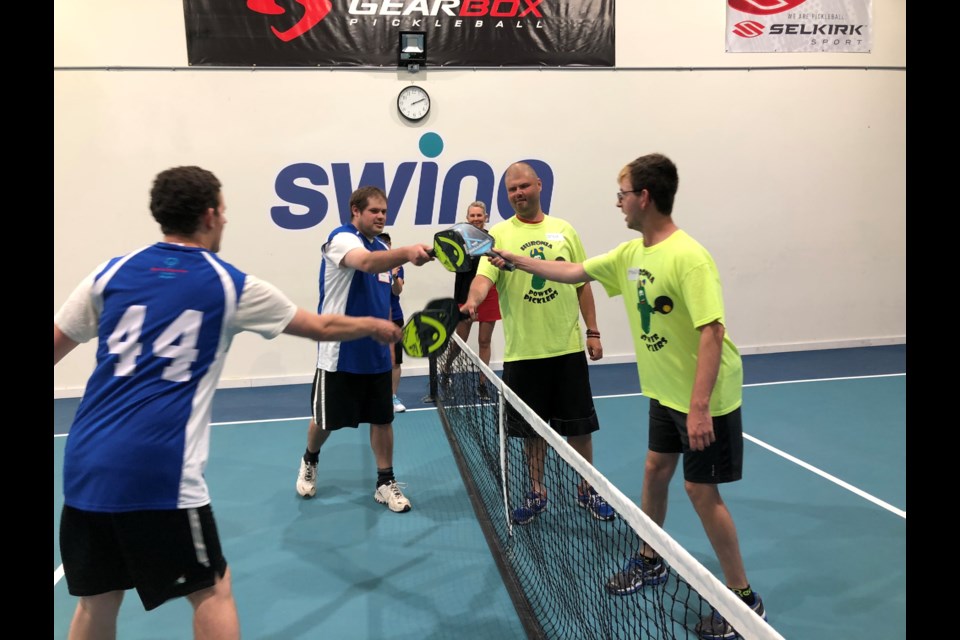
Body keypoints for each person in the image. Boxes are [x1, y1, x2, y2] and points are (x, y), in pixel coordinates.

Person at [53, 166, 402, 640]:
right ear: (213, 215)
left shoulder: (110, 272)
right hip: (160, 470)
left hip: (83, 463)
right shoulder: (229, 284)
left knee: (96, 603)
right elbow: (320, 327)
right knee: (212, 591)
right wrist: (375, 326)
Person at [487, 153, 766, 640]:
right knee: (655, 470)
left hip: (706, 399)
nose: (617, 204)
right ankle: (649, 558)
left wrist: (699, 407)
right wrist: (511, 258)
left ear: (645, 197)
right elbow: (572, 273)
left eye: (622, 194)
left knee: (700, 491)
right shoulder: (631, 254)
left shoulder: (689, 256)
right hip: (665, 392)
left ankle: (743, 598)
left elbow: (712, 332)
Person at [461, 161, 615, 525]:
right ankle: (536, 490)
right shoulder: (497, 234)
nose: (518, 193)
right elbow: (484, 279)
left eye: (524, 186)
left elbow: (583, 283)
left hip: (567, 348)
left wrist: (592, 330)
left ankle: (587, 487)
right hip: (523, 352)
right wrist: (471, 302)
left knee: (579, 426)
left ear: (539, 186)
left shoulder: (564, 231)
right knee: (532, 431)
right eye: (512, 189)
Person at [295, 186, 433, 512]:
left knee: (383, 419)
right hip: (339, 353)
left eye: (384, 211)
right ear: (355, 211)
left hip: (374, 355)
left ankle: (385, 481)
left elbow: (383, 299)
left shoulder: (380, 250)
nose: (381, 216)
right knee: (325, 420)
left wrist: (387, 341)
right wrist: (406, 252)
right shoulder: (342, 239)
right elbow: (367, 264)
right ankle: (310, 459)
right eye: (374, 211)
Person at [378, 232, 407, 413]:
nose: (385, 246)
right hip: (374, 318)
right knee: (374, 359)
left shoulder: (398, 266)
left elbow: (397, 292)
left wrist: (394, 276)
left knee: (395, 361)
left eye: (387, 243)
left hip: (395, 317)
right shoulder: (369, 265)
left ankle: (392, 397)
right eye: (381, 243)